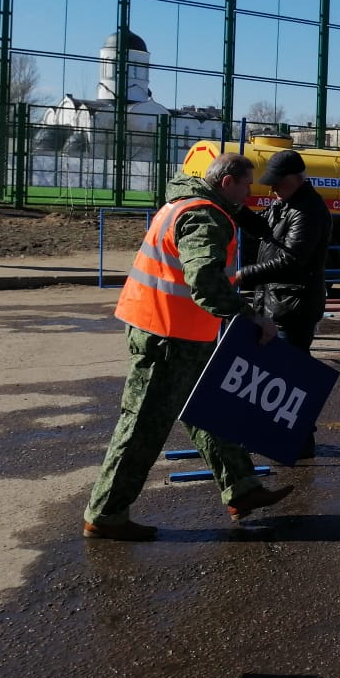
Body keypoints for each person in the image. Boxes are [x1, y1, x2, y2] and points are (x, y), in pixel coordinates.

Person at [83, 153, 294, 541]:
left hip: (177, 332)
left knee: (208, 410)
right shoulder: (205, 215)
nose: (251, 193)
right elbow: (205, 281)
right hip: (167, 336)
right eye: (247, 185)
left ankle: (243, 489)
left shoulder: (180, 203)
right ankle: (106, 513)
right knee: (142, 426)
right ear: (228, 181)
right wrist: (250, 317)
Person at [237, 149, 333, 459]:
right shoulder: (285, 204)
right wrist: (233, 207)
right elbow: (260, 227)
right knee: (277, 373)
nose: (272, 190)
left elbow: (292, 260)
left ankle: (301, 442)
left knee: (292, 373)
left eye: (277, 184)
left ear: (294, 179)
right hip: (276, 300)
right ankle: (282, 436)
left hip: (294, 305)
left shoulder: (308, 210)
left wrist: (242, 276)